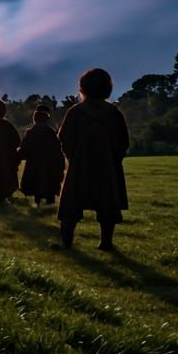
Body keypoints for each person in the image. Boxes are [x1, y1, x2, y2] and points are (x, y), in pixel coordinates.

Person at [57, 69, 129, 250]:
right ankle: (106, 243)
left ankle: (67, 241)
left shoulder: (75, 112)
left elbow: (64, 138)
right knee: (107, 205)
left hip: (79, 165)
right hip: (107, 167)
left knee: (71, 205)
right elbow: (123, 142)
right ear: (108, 89)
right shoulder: (114, 113)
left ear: (82, 88)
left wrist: (73, 157)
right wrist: (114, 159)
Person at [19, 105, 65, 206]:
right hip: (50, 164)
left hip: (34, 163)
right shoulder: (51, 133)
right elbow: (58, 149)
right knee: (49, 183)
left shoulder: (31, 132)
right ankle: (49, 202)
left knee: (35, 183)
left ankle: (38, 202)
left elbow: (24, 149)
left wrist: (18, 157)